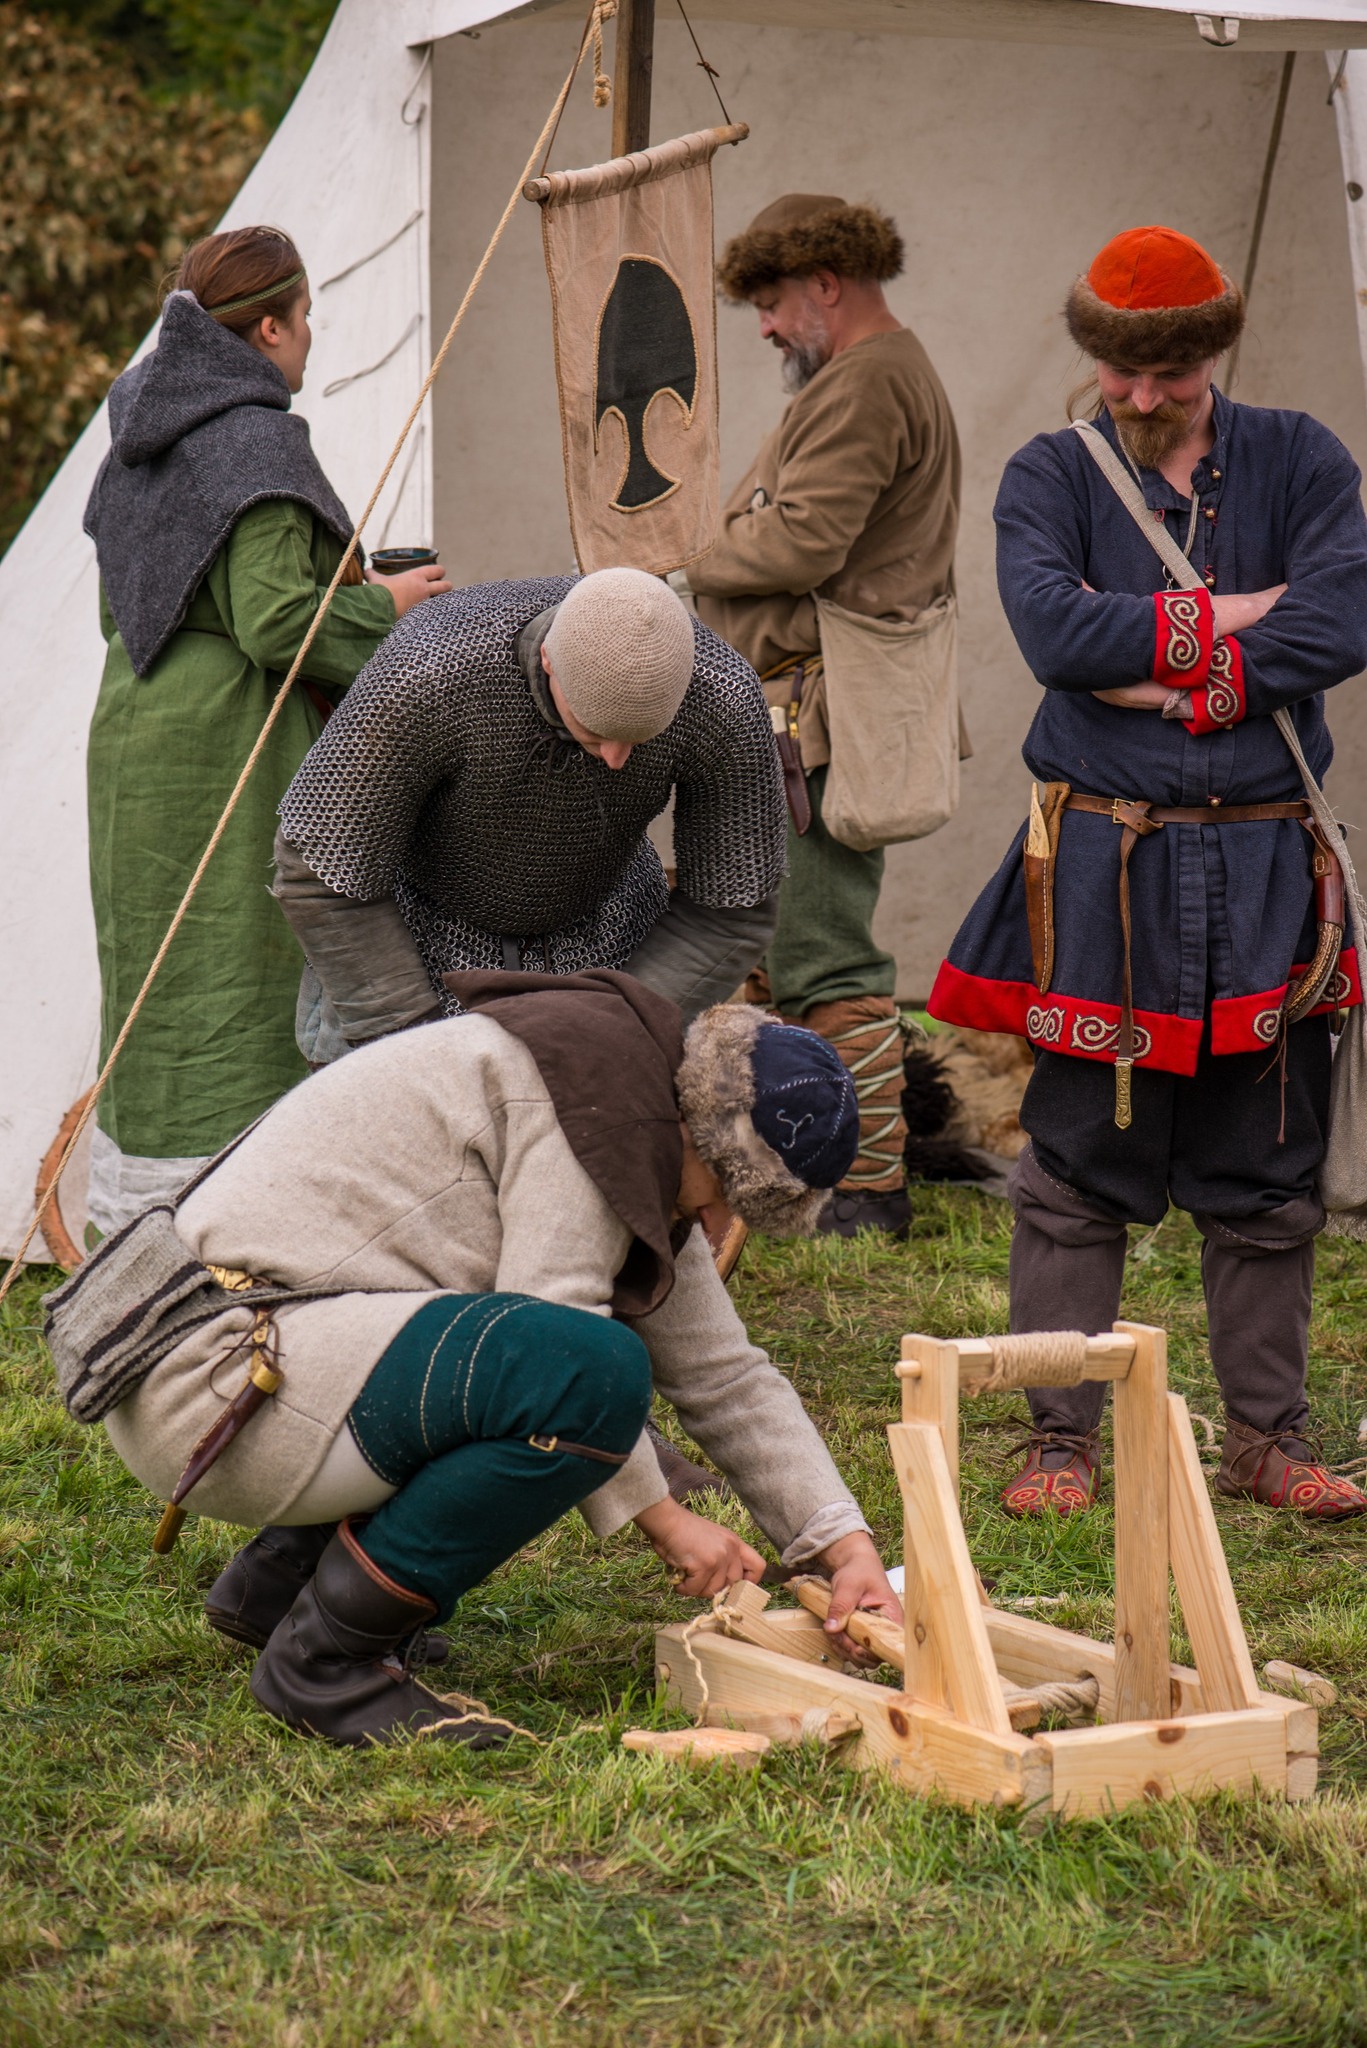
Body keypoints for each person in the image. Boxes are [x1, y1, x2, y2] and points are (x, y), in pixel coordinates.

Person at [45, 973, 902, 1748]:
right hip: (219, 1391)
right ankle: (326, 1666)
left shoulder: (623, 1100)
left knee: (522, 1357)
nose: (716, 1226)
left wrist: (841, 1546)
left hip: (245, 1370)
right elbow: (558, 1331)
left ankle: (280, 1587)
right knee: (584, 1370)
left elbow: (723, 1374)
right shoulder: (587, 1117)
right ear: (708, 1148)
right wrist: (669, 1522)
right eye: (725, 1200)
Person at [928, 224, 1367, 1520]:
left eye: (1164, 372)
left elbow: (1341, 615)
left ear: (1210, 352)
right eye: (1117, 369)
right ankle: (1054, 1440)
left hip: (1266, 868)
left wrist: (1180, 672)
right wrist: (1236, 617)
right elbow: (1052, 631)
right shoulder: (1047, 473)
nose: (1134, 394)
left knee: (1264, 1168)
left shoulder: (1300, 457)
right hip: (1104, 870)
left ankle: (1264, 1439)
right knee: (1076, 1166)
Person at [82, 225, 450, 1237]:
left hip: (135, 734)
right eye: (306, 320)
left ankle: (141, 1218)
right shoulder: (252, 437)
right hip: (223, 746)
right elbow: (277, 620)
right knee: (237, 969)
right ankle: (234, 1216)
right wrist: (389, 606)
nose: (310, 340)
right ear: (271, 328)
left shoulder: (141, 431)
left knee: (155, 971)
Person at [684, 194, 962, 1240]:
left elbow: (805, 539)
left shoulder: (867, 381)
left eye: (769, 303)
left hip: (820, 715)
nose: (762, 327)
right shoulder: (864, 376)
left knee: (826, 955)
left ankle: (867, 1191)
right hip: (803, 707)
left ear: (824, 284)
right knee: (787, 941)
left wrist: (679, 557)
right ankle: (803, 1167)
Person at [271, 566, 785, 1060]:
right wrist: (410, 1037)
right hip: (415, 931)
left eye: (640, 739)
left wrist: (628, 1024)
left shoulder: (721, 694)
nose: (615, 759)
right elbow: (320, 873)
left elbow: (731, 910)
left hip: (610, 928)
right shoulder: (429, 668)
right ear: (547, 661)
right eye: (595, 731)